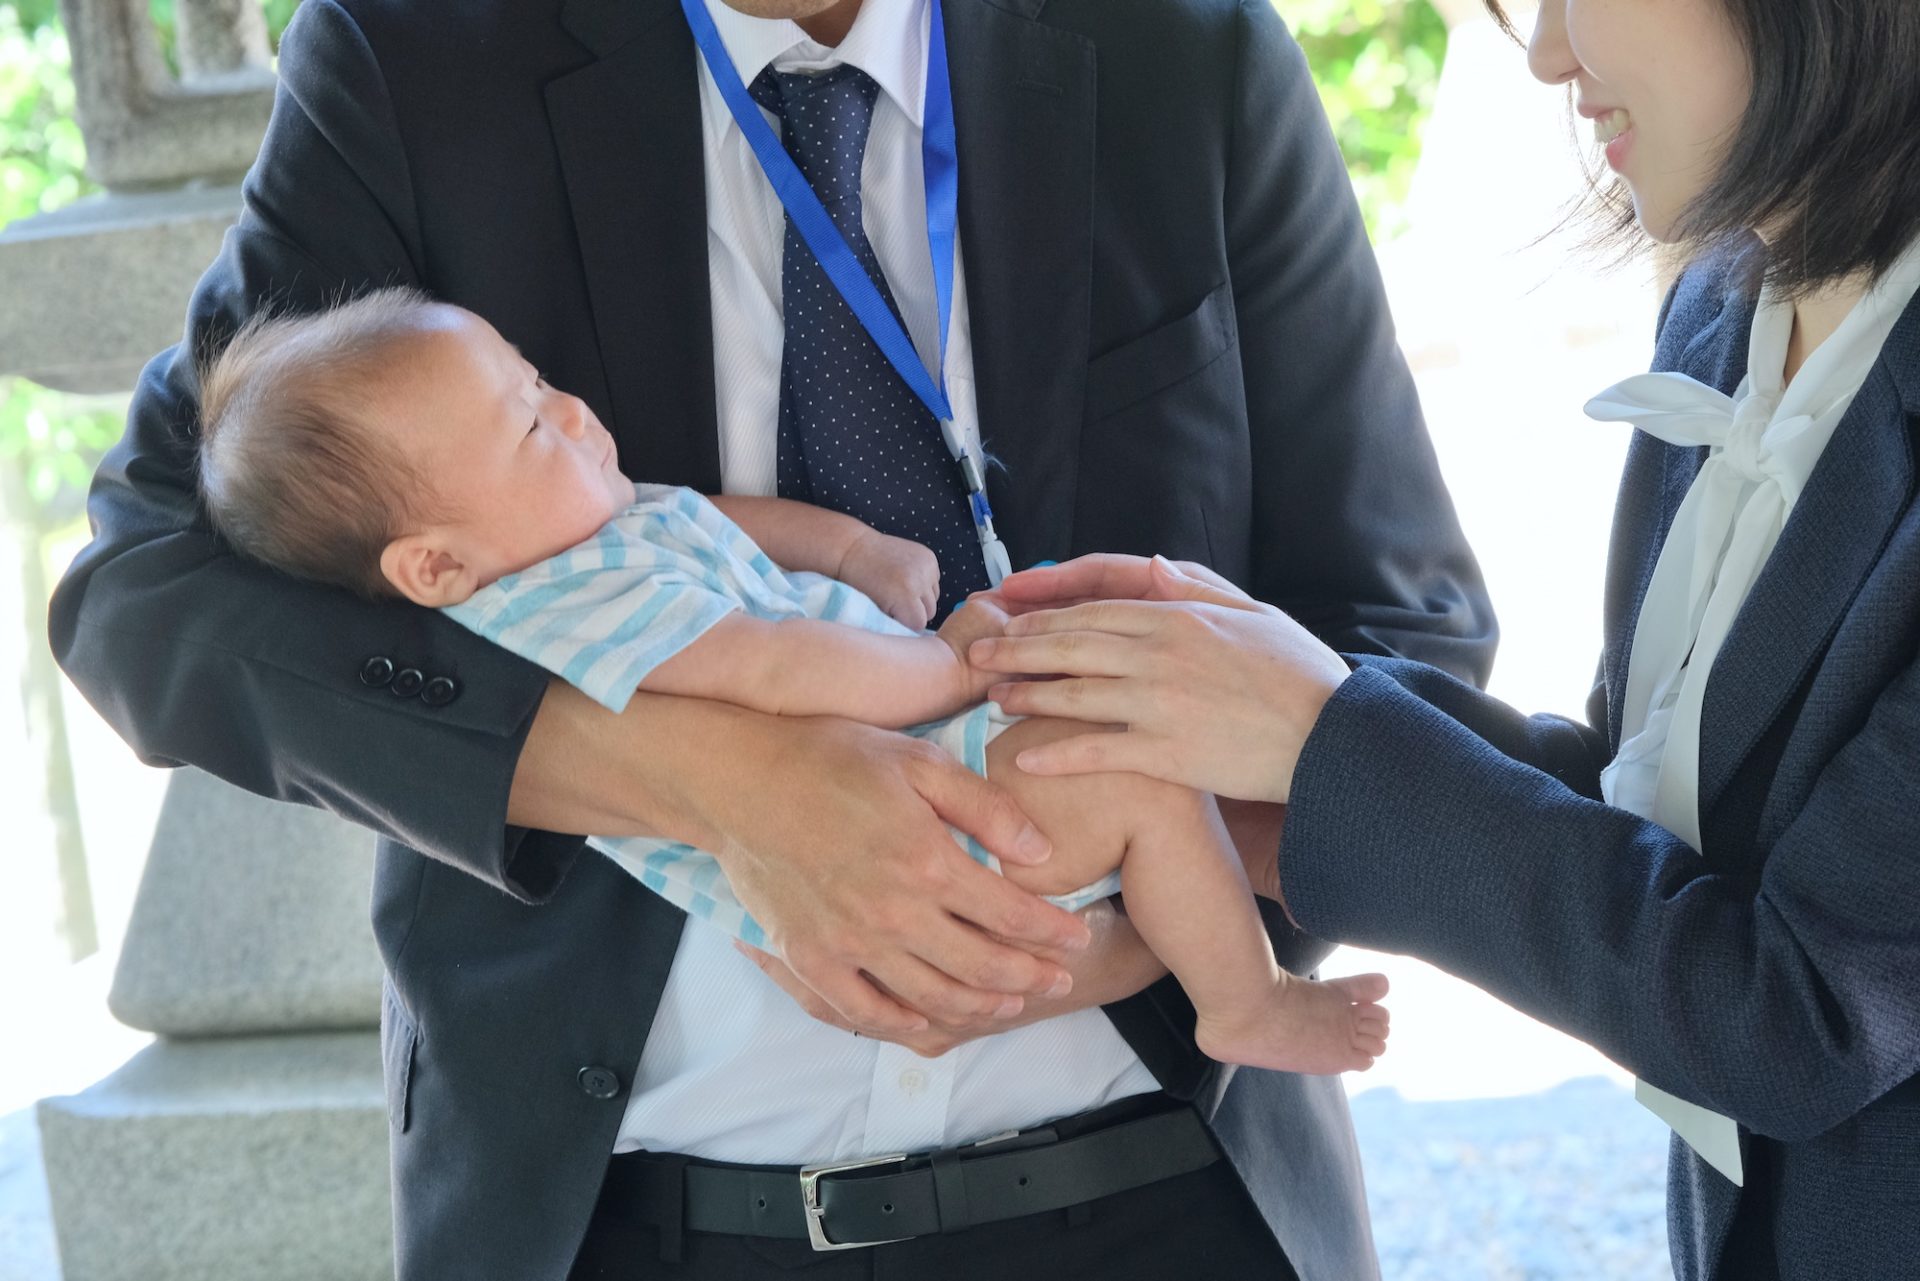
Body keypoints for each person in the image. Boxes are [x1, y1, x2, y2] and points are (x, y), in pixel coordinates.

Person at [49, 0, 1496, 1275]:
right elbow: (145, 590)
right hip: (630, 1210)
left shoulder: (1184, 45)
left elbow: (1399, 624)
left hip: (1172, 1182)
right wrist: (701, 781)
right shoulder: (412, 56)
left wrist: (1116, 918)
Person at [969, 0, 1920, 1275]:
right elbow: (1673, 835)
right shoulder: (1724, 311)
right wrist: (1287, 723)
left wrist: (1329, 745)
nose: (1547, 55)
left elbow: (1807, 1011)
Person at [195, 288, 1394, 1076]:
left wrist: (851, 551)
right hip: (907, 811)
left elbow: (722, 520)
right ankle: (1240, 1000)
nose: (569, 411)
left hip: (921, 738)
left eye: (537, 381)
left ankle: (1210, 879)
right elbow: (771, 673)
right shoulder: (560, 607)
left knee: (1111, 676)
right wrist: (939, 660)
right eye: (524, 429)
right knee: (1132, 773)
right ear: (437, 565)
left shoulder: (586, 525)